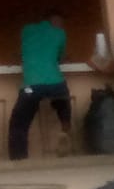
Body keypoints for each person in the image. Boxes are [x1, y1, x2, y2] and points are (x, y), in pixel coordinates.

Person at [8, 12, 72, 161]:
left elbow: (24, 52)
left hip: (31, 87)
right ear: (53, 20)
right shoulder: (60, 33)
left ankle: (18, 158)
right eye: (60, 22)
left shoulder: (26, 30)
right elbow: (60, 58)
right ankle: (65, 128)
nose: (61, 26)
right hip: (56, 84)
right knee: (64, 103)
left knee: (18, 124)